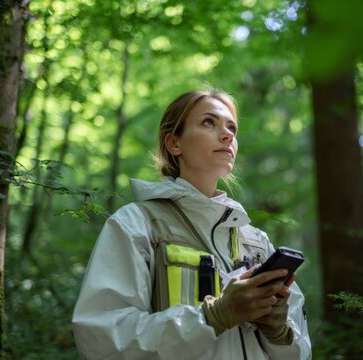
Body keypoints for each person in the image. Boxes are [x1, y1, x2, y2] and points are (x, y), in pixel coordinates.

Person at [72, 89, 312, 359]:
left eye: (232, 127)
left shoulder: (256, 241)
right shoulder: (136, 224)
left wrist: (279, 332)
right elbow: (101, 342)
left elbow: (302, 353)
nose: (228, 134)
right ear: (174, 143)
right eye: (209, 122)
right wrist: (213, 317)